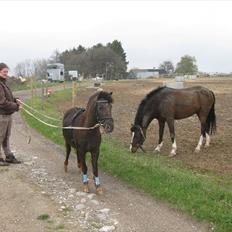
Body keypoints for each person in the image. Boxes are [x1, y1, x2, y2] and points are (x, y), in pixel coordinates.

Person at [0, 63, 21, 166]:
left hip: (7, 115)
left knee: (6, 137)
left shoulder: (4, 84)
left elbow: (7, 98)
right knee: (0, 136)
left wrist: (15, 100)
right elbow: (2, 103)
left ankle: (8, 156)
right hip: (1, 115)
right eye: (4, 72)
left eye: (7, 72)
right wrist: (16, 106)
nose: (6, 74)